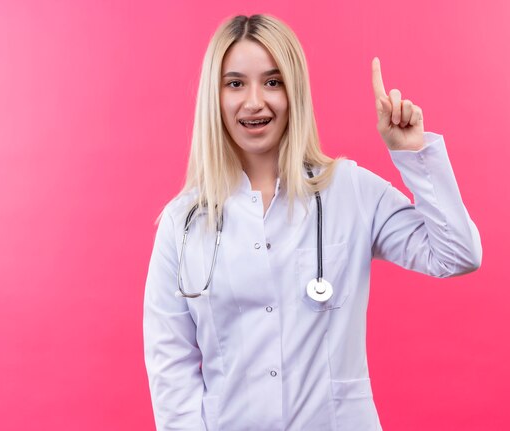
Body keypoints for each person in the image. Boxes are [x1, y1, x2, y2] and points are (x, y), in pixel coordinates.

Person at [143, 13, 482, 431]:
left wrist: (413, 154)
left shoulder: (349, 190)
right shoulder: (183, 223)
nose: (254, 101)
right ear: (215, 97)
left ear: (294, 91)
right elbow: (171, 370)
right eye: (235, 83)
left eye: (272, 81)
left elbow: (457, 255)